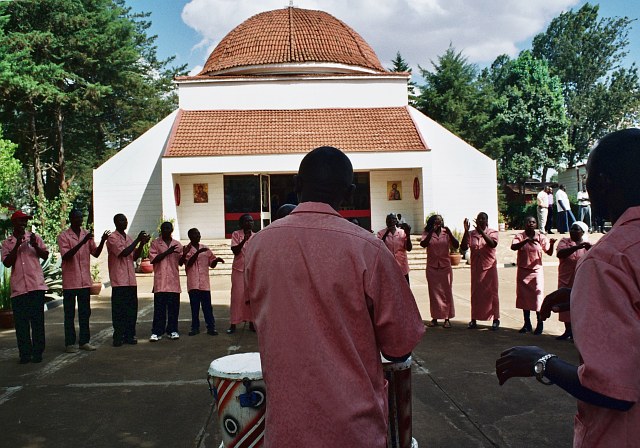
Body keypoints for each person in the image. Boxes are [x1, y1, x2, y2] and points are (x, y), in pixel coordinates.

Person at [244, 146, 424, 447]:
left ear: (296, 185)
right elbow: (399, 347)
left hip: (286, 429)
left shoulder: (259, 247)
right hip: (353, 429)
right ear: (350, 193)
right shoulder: (369, 249)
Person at [496, 128, 640, 447]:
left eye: (587, 176)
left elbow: (613, 389)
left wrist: (543, 362)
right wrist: (579, 295)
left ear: (603, 182)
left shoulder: (608, 259)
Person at [57, 209, 109, 353]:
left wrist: (103, 240)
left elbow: (96, 253)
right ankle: (70, 343)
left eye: (81, 217)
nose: (80, 220)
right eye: (77, 218)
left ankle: (84, 341)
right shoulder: (63, 236)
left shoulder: (86, 234)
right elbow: (66, 256)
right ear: (71, 219)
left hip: (84, 281)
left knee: (85, 312)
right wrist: (82, 242)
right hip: (70, 281)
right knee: (69, 314)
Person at [1, 211, 49, 364]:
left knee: (37, 322)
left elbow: (45, 255)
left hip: (35, 286)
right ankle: (25, 354)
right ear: (14, 223)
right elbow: (7, 263)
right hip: (19, 289)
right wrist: (17, 245)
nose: (23, 224)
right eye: (20, 221)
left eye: (25, 221)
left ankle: (38, 353)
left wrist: (35, 245)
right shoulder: (7, 243)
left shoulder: (34, 238)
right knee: (21, 325)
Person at [106, 214, 149, 347]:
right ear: (115, 222)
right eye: (121, 220)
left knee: (131, 310)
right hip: (119, 280)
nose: (124, 222)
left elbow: (134, 255)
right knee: (119, 310)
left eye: (125, 220)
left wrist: (142, 244)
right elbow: (123, 253)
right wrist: (137, 240)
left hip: (130, 280)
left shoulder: (128, 238)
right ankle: (118, 336)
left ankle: (130, 334)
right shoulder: (112, 238)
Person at [510, 216, 556, 335]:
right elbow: (513, 247)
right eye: (528, 222)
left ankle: (540, 323)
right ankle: (527, 323)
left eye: (533, 222)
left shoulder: (540, 237)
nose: (531, 224)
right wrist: (526, 241)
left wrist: (551, 244)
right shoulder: (520, 236)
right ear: (525, 224)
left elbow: (549, 252)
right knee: (523, 297)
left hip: (536, 271)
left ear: (536, 224)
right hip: (523, 270)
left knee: (537, 297)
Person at [180, 227, 224, 336]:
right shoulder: (186, 249)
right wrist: (198, 252)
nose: (198, 236)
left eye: (199, 234)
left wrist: (216, 261)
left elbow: (211, 263)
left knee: (207, 307)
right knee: (195, 308)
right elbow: (188, 263)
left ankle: (211, 327)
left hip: (204, 283)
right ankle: (195, 328)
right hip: (193, 283)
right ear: (190, 237)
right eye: (195, 234)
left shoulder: (205, 248)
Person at [460, 212, 500, 330]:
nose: (481, 221)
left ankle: (495, 319)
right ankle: (474, 318)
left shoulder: (493, 232)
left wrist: (482, 232)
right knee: (476, 294)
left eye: (483, 219)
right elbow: (463, 247)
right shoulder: (472, 234)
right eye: (479, 219)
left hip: (489, 268)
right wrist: (466, 231)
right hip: (476, 268)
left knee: (492, 293)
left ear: (487, 221)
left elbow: (492, 244)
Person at [420, 214, 459, 328]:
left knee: (446, 292)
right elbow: (423, 244)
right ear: (431, 223)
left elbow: (456, 245)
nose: (438, 223)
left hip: (445, 266)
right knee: (434, 293)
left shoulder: (446, 233)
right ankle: (435, 317)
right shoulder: (427, 233)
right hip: (432, 267)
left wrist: (451, 234)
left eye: (440, 221)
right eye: (436, 221)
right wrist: (431, 232)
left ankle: (447, 318)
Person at [554, 221, 590, 341]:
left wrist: (590, 249)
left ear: (582, 232)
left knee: (577, 305)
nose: (573, 231)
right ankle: (567, 330)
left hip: (580, 279)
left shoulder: (588, 245)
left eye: (576, 229)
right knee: (564, 302)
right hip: (565, 277)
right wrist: (576, 247)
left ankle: (576, 332)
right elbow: (560, 254)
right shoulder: (564, 242)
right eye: (572, 229)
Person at [149, 222, 183, 341]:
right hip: (161, 282)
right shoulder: (155, 243)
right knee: (159, 309)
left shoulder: (177, 244)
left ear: (172, 229)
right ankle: (157, 332)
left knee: (173, 308)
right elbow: (153, 259)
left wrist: (186, 252)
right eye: (164, 228)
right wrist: (167, 252)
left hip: (173, 281)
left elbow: (181, 261)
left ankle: (172, 330)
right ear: (161, 230)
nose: (166, 230)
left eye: (168, 228)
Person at [227, 214, 255, 334]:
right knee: (237, 297)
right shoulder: (236, 234)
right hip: (238, 270)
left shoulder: (256, 236)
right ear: (241, 223)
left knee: (251, 298)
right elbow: (235, 251)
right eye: (247, 221)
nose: (249, 223)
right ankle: (233, 324)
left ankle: (252, 323)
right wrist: (244, 240)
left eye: (251, 221)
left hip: (252, 271)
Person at [376, 213, 412, 283]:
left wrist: (408, 235)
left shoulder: (402, 232)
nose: (391, 221)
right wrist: (387, 232)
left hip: (401, 265)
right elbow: (379, 246)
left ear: (396, 221)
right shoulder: (381, 233)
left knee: (404, 288)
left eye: (393, 219)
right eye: (389, 219)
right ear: (386, 221)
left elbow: (409, 248)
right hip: (387, 265)